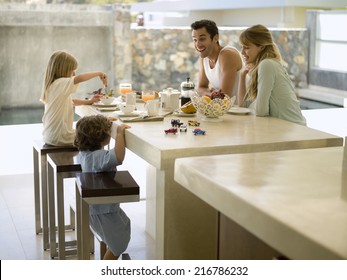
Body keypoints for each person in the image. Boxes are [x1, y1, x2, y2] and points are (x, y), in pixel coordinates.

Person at [74, 115, 131, 260]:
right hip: (103, 211)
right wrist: (118, 134)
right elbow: (118, 156)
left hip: (97, 209)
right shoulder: (98, 158)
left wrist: (105, 123)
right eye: (106, 131)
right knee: (119, 244)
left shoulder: (85, 154)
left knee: (123, 228)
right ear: (100, 137)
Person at [238, 24, 306, 126]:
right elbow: (243, 106)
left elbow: (261, 111)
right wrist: (242, 75)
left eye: (247, 47)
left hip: (293, 130)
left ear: (261, 47)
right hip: (285, 128)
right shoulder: (264, 65)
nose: (242, 52)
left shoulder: (267, 65)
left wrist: (252, 107)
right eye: (242, 47)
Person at [40, 50, 107, 146]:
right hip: (61, 138)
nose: (74, 73)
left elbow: (71, 101)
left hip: (50, 135)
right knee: (97, 134)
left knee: (89, 131)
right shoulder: (60, 83)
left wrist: (89, 101)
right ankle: (96, 159)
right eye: (72, 70)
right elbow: (79, 78)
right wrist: (99, 73)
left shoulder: (53, 85)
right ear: (63, 70)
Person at [191, 19, 243, 98]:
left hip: (243, 109)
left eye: (202, 39)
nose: (197, 45)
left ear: (215, 38)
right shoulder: (204, 57)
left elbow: (224, 96)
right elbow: (201, 88)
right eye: (195, 39)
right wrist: (210, 94)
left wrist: (210, 93)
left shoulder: (227, 54)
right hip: (224, 109)